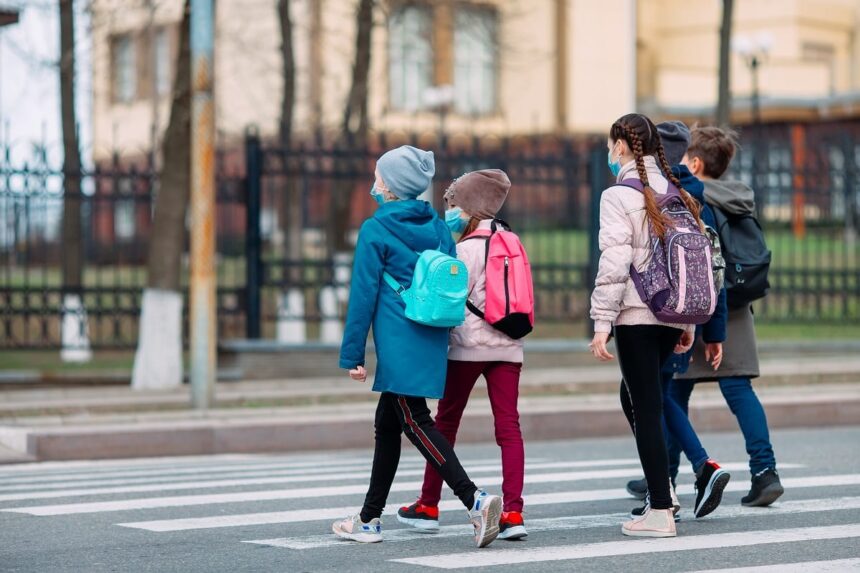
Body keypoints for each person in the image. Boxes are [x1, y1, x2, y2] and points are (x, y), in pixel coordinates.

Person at [333, 145, 503, 548]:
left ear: (390, 186)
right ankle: (369, 518)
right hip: (430, 332)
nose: (374, 184)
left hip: (397, 338)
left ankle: (474, 499)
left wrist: (352, 354)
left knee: (414, 420)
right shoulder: (439, 228)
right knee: (387, 425)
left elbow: (362, 294)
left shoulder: (376, 230)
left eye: (378, 177)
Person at [397, 169, 529, 541]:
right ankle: (514, 512)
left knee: (445, 423)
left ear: (468, 209)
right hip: (508, 346)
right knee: (509, 427)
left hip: (467, 348)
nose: (449, 213)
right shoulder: (514, 241)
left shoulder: (464, 249)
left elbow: (450, 303)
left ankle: (428, 503)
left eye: (453, 206)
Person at [589, 112, 701, 538]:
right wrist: (688, 322)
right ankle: (664, 491)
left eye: (609, 144)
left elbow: (615, 262)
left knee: (647, 408)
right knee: (636, 396)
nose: (608, 152)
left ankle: (660, 509)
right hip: (672, 316)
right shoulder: (674, 190)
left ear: (621, 145)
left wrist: (602, 322)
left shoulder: (618, 195)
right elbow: (692, 261)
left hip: (637, 315)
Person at [625, 121, 732, 521]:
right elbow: (715, 268)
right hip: (689, 317)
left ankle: (695, 471)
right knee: (654, 397)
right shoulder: (696, 199)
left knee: (651, 399)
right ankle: (666, 483)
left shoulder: (655, 196)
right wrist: (712, 329)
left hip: (652, 315)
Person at [673, 126, 784, 507]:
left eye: (683, 157)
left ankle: (664, 474)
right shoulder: (738, 198)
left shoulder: (694, 197)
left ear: (696, 163)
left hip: (699, 304)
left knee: (673, 391)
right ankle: (765, 472)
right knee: (739, 390)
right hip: (736, 307)